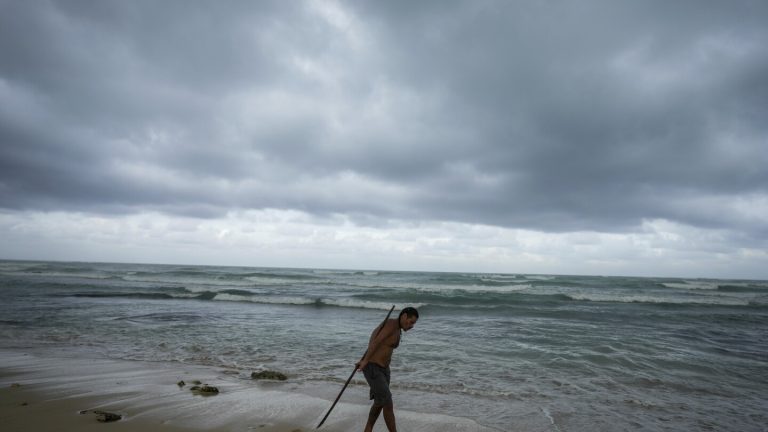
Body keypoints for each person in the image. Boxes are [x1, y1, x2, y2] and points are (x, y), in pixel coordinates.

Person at [356, 307, 419, 432]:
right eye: (411, 322)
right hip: (373, 368)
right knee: (388, 402)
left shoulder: (397, 328)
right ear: (404, 316)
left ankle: (367, 429)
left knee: (380, 402)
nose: (412, 326)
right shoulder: (391, 324)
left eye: (414, 324)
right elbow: (376, 341)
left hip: (384, 370)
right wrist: (365, 360)